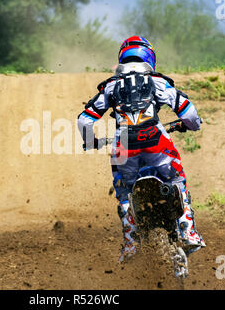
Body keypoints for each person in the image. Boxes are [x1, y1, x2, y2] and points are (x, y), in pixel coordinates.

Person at [77, 36, 206, 262]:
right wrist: (191, 126)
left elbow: (84, 121)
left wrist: (90, 142)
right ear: (149, 56)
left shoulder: (110, 86)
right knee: (177, 179)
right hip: (155, 142)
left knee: (124, 193)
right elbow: (189, 113)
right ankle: (188, 231)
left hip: (124, 148)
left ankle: (130, 244)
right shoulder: (157, 82)